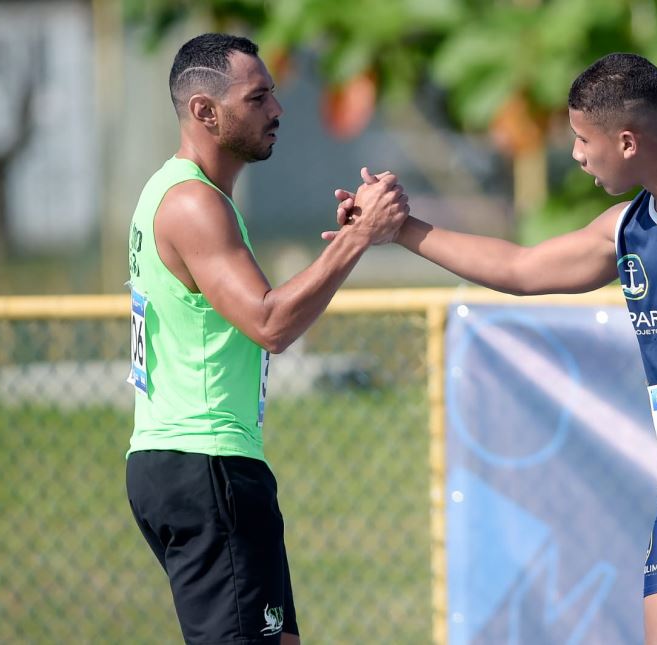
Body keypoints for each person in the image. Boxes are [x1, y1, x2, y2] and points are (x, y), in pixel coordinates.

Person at [330, 53, 657, 644]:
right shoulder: (629, 226)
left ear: (626, 140)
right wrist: (400, 230)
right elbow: (519, 268)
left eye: (580, 138)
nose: (575, 154)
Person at [125, 33, 407, 645]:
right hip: (206, 465)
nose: (278, 110)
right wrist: (360, 241)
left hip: (202, 464)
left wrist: (352, 239)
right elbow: (270, 323)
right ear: (205, 111)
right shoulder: (194, 204)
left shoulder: (186, 196)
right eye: (258, 98)